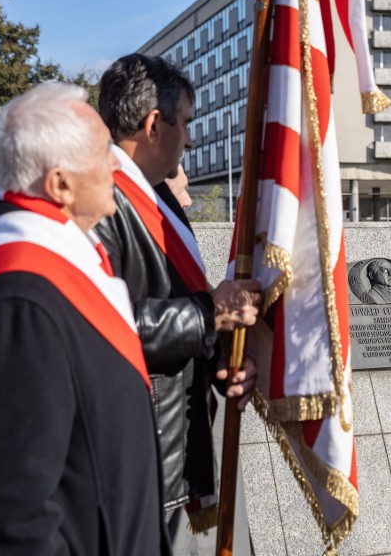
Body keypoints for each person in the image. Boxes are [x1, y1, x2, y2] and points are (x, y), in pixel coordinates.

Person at [0, 83, 170, 555]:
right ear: (60, 183)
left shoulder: (47, 266)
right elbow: (11, 514)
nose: (115, 164)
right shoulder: (19, 298)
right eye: (101, 152)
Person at [95, 53, 260, 554]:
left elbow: (177, 306)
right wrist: (211, 313)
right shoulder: (95, 200)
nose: (190, 139)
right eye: (185, 123)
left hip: (187, 450)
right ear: (152, 124)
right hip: (145, 467)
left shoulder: (159, 198)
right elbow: (98, 324)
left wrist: (222, 363)